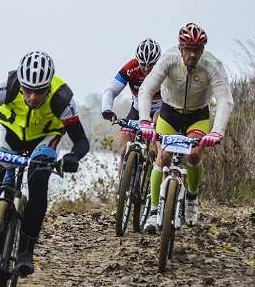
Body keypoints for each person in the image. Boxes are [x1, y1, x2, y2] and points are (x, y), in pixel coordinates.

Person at [0, 50, 90, 278]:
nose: (32, 97)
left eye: (39, 91)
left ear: (49, 86)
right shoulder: (8, 86)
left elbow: (81, 141)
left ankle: (25, 250)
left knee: (39, 181)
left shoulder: (62, 99)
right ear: (20, 85)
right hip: (9, 135)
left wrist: (72, 157)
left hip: (44, 140)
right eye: (28, 90)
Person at [136, 23, 233, 232]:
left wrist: (217, 131)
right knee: (163, 157)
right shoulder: (169, 59)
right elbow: (146, 90)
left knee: (194, 156)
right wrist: (144, 120)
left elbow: (225, 100)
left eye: (197, 50)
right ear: (180, 48)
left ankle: (191, 196)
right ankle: (153, 211)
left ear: (203, 50)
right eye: (188, 49)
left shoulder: (212, 65)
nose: (192, 54)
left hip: (197, 115)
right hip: (169, 113)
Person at [100, 38, 163, 163]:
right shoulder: (131, 67)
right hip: (137, 110)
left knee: (156, 149)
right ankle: (123, 175)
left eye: (151, 65)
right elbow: (110, 90)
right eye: (143, 64)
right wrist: (106, 109)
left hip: (159, 112)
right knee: (124, 150)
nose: (146, 69)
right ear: (137, 60)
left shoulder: (164, 69)